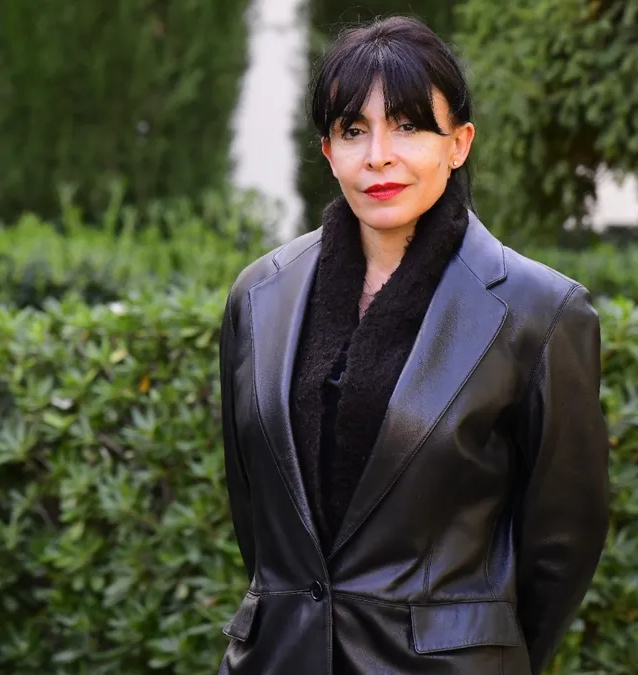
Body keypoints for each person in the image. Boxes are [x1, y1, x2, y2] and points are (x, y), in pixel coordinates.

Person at [217, 14, 610, 675]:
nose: (378, 155)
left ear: (458, 143)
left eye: (407, 125)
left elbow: (563, 540)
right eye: (353, 130)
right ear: (327, 151)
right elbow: (256, 514)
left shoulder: (539, 312)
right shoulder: (258, 295)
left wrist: (485, 653)